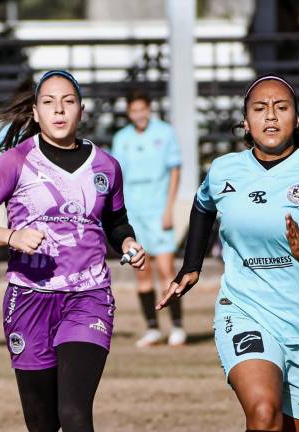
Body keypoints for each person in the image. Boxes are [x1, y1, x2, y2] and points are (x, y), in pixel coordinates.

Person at [158, 74, 299, 432]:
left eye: (281, 108)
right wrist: (191, 265)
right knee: (263, 412)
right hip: (245, 311)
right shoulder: (225, 169)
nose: (270, 116)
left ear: (296, 119)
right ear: (245, 121)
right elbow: (203, 204)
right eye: (260, 108)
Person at [0, 70, 145, 432]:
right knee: (43, 422)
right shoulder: (15, 161)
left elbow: (117, 222)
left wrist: (127, 243)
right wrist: (10, 236)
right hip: (29, 299)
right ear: (35, 112)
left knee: (74, 414)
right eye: (48, 102)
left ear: (82, 110)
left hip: (88, 296)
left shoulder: (107, 165)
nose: (59, 110)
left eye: (68, 102)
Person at [111, 88, 186, 348]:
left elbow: (175, 170)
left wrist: (169, 208)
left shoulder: (164, 133)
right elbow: (116, 177)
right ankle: (152, 328)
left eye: (142, 109)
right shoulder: (121, 138)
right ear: (129, 112)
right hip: (134, 214)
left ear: (149, 109)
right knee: (142, 272)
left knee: (166, 268)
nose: (138, 114)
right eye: (134, 110)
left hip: (158, 210)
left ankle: (177, 326)